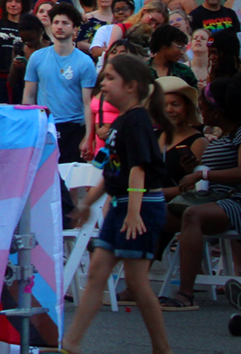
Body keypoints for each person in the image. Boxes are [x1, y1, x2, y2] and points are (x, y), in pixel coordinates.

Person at [61, 54, 172, 354]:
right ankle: (71, 343)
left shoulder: (137, 120)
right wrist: (87, 204)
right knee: (97, 273)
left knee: (136, 281)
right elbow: (112, 173)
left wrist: (134, 212)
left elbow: (139, 168)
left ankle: (162, 348)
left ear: (132, 86)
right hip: (122, 204)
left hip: (140, 206)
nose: (104, 84)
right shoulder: (122, 122)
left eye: (111, 78)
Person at [161, 68, 241, 311]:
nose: (200, 111)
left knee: (192, 215)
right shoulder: (225, 137)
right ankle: (134, 284)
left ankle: (185, 294)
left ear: (217, 110)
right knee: (157, 214)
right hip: (222, 199)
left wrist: (201, 173)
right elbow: (209, 176)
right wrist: (191, 169)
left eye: (203, 106)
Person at [22, 4, 97, 162]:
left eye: (65, 23)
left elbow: (88, 103)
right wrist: (29, 128)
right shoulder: (37, 58)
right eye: (56, 22)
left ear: (74, 29)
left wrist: (89, 137)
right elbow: (29, 96)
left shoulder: (85, 62)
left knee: (70, 180)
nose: (59, 27)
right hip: (46, 126)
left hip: (74, 127)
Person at [157, 76, 206, 199]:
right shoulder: (154, 136)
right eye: (164, 105)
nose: (169, 110)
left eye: (175, 104)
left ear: (187, 107)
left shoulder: (198, 142)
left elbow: (197, 188)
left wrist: (151, 194)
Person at [0, 0, 30, 103]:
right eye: (9, 1)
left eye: (18, 1)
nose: (13, 5)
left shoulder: (28, 27)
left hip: (21, 79)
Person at [5, 14, 47, 105]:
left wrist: (28, 66)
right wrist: (15, 66)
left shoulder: (50, 49)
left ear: (40, 33)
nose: (28, 43)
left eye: (31, 40)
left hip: (44, 98)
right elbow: (11, 82)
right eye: (24, 40)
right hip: (22, 97)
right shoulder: (19, 48)